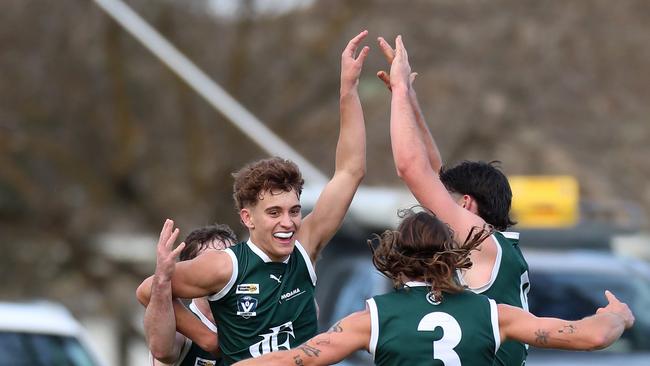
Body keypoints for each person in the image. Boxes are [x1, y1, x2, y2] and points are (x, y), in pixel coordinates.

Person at [137, 30, 370, 365]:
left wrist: (348, 88)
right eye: (274, 212)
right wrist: (206, 337)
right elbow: (148, 289)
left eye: (293, 211)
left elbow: (350, 171)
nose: (287, 222)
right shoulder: (226, 266)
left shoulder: (305, 247)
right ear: (248, 218)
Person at [231, 208, 635, 366]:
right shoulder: (494, 314)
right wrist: (615, 315)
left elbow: (298, 359)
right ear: (453, 256)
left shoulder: (372, 319)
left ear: (395, 258)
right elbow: (593, 336)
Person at [380, 35, 530, 365]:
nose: (434, 210)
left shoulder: (480, 241)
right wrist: (408, 99)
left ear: (465, 204)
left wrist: (403, 91)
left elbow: (411, 169)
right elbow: (434, 171)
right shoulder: (493, 245)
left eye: (445, 203)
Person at [145, 224, 237, 366]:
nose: (221, 270)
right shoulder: (174, 322)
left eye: (228, 260)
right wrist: (162, 278)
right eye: (209, 262)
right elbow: (161, 351)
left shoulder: (256, 316)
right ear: (189, 272)